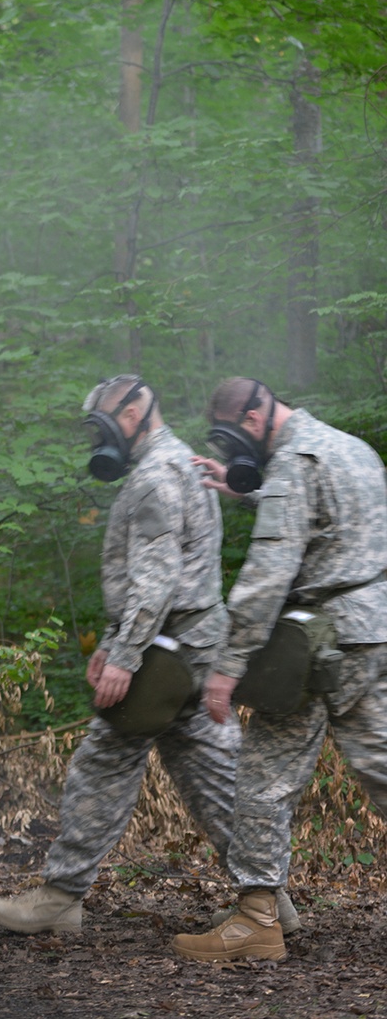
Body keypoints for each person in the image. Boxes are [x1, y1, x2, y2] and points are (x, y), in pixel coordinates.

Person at [0, 375, 244, 937]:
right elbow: (153, 581)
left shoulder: (155, 477)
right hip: (190, 646)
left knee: (104, 762)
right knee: (215, 776)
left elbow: (155, 583)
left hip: (166, 651)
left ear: (131, 415)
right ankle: (268, 902)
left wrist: (125, 655)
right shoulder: (176, 465)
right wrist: (111, 643)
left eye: (103, 427)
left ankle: (60, 896)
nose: (98, 441)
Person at [172, 378, 387, 963]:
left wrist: (228, 664)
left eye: (233, 435)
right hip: (372, 631)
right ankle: (257, 914)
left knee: (264, 776)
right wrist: (245, 490)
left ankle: (255, 921)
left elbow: (269, 572)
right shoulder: (349, 449)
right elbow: (333, 527)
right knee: (380, 764)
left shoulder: (294, 463)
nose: (236, 446)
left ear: (252, 414)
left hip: (319, 643)